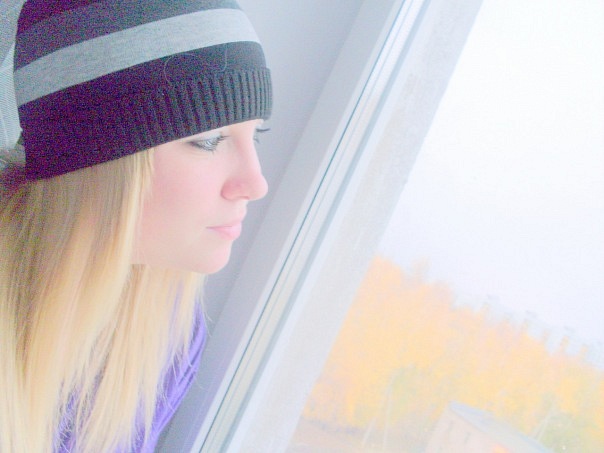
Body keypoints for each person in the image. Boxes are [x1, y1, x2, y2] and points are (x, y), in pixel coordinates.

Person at [0, 0, 272, 451]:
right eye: (209, 140)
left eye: (256, 134)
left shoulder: (168, 333)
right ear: (96, 159)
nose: (256, 183)